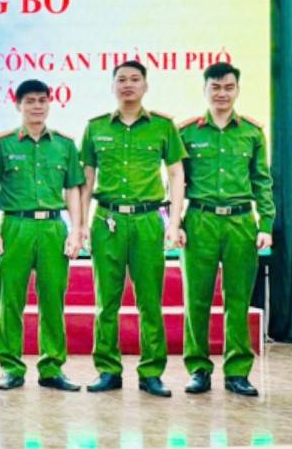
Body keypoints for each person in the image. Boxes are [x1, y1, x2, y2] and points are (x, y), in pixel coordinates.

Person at [80, 60, 186, 397]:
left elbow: (175, 174)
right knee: (106, 301)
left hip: (146, 221)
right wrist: (80, 224)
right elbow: (86, 179)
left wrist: (174, 222)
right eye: (121, 80)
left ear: (145, 85)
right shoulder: (95, 128)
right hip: (106, 219)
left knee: (149, 300)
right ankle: (108, 369)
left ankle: (151, 371)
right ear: (112, 86)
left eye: (135, 79)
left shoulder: (163, 127)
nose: (128, 85)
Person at [178, 62, 274, 397]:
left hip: (239, 222)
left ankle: (237, 372)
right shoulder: (187, 132)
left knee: (237, 299)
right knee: (197, 300)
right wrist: (174, 223)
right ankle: (198, 369)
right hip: (200, 221)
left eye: (228, 87)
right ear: (205, 89)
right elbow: (176, 182)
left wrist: (267, 225)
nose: (222, 94)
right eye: (215, 87)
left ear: (237, 89)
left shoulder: (251, 132)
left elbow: (262, 181)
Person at [0, 79, 84, 392]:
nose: (37, 106)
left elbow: (73, 190)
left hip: (53, 227)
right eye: (30, 101)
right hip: (16, 225)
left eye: (42, 100)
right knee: (10, 298)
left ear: (50, 103)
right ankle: (11, 366)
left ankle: (52, 366)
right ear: (18, 105)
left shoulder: (65, 145)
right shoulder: (1, 144)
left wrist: (76, 231)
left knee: (53, 298)